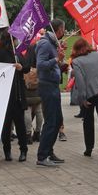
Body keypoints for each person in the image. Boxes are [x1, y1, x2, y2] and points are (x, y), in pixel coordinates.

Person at [70, 37, 98, 162]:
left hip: (89, 94)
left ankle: (88, 148)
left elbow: (80, 80)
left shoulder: (77, 61)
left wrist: (83, 98)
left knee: (88, 121)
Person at [0, 30, 32, 162]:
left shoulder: (17, 53)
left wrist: (21, 67)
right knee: (6, 126)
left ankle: (23, 150)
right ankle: (7, 151)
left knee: (20, 124)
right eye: (15, 39)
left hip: (17, 94)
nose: (17, 41)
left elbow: (26, 66)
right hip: (5, 95)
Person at [35, 19, 68, 167]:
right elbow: (40, 65)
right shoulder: (45, 43)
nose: (64, 32)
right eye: (63, 29)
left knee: (57, 120)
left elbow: (52, 65)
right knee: (51, 121)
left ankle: (49, 151)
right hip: (47, 86)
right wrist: (57, 59)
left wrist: (61, 63)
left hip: (53, 85)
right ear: (58, 29)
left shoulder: (53, 43)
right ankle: (42, 156)